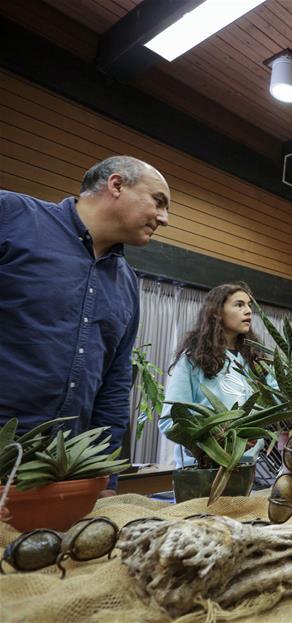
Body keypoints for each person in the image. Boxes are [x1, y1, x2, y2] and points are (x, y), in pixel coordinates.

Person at [0, 156, 170, 496]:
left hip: (66, 471)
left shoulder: (126, 285)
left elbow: (113, 386)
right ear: (117, 185)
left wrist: (104, 477)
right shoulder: (11, 215)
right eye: (159, 202)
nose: (165, 219)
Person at [159, 282, 269, 469]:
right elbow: (170, 420)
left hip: (248, 466)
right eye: (239, 304)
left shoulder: (255, 360)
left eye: (250, 305)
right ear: (217, 312)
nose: (248, 311)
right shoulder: (191, 361)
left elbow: (276, 401)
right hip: (203, 467)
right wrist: (209, 444)